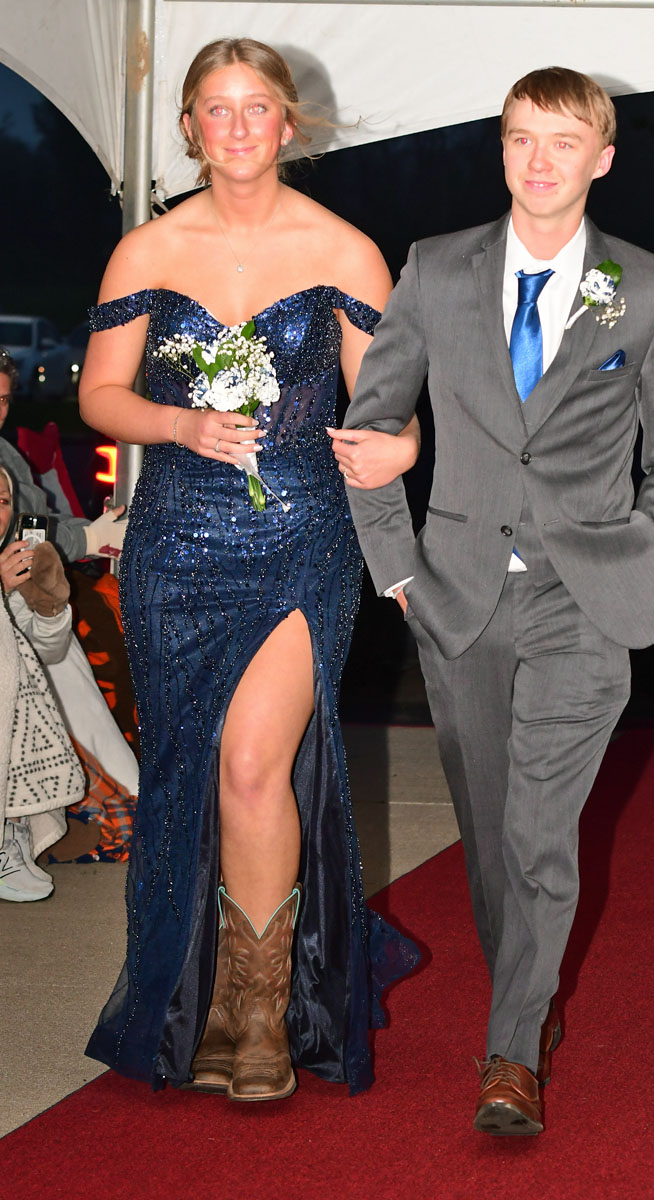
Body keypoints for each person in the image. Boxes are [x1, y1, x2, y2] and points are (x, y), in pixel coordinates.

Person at [341, 66, 654, 1135]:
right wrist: (396, 570)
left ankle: (508, 1060)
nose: (537, 161)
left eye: (562, 141)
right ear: (498, 150)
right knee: (490, 827)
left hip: (583, 601)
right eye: (518, 139)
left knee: (541, 833)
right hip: (452, 596)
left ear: (600, 157)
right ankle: (527, 996)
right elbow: (367, 433)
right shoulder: (434, 271)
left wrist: (636, 553)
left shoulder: (648, 288)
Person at [78, 37, 419, 1101]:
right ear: (187, 128)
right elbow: (100, 398)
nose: (235, 128)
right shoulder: (147, 252)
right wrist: (178, 422)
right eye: (214, 110)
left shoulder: (347, 252)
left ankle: (262, 1012)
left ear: (288, 125)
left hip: (299, 539)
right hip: (175, 543)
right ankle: (209, 995)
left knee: (252, 770)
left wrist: (397, 446)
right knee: (187, 773)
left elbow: (382, 407)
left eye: (254, 108)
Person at [0, 466, 84, 901]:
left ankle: (11, 830)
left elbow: (46, 655)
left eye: (2, 502)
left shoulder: (15, 560)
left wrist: (50, 606)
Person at [0, 348, 126, 564]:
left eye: (3, 400)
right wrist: (89, 539)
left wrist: (94, 530)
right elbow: (20, 541)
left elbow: (40, 521)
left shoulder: (7, 453)